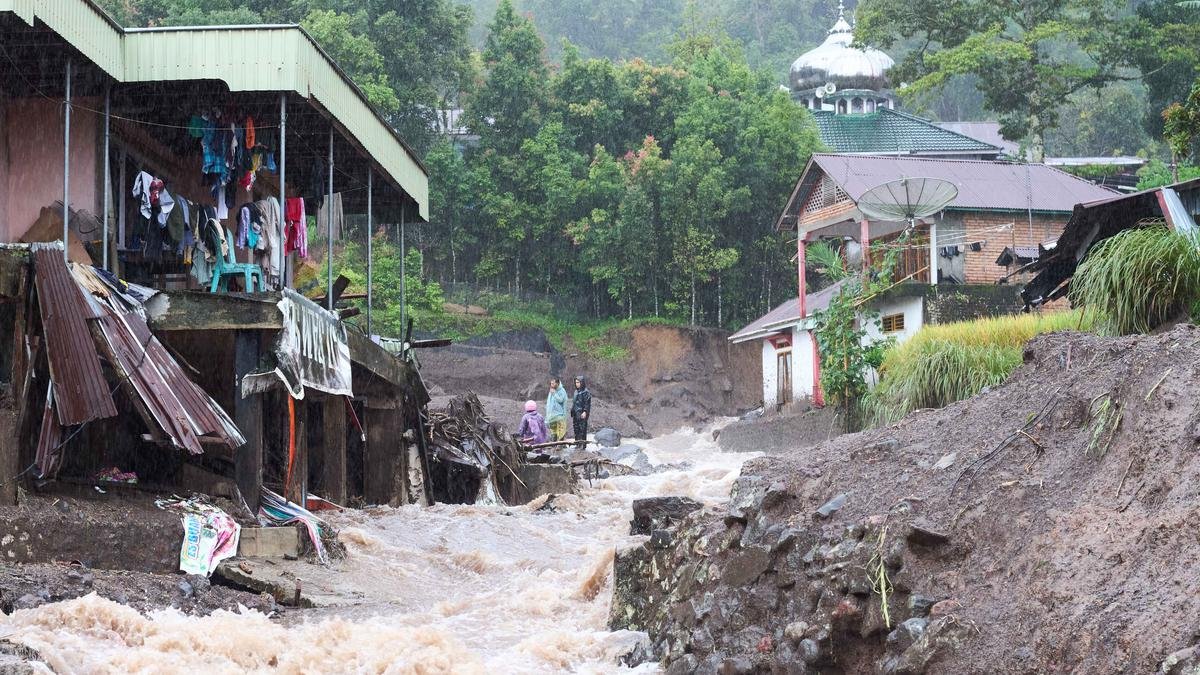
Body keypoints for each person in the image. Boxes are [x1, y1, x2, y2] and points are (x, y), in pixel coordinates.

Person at [570, 375, 592, 449]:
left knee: (582, 429)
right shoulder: (576, 391)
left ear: (582, 383)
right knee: (576, 429)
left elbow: (587, 403)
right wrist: (572, 410)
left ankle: (583, 446)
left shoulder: (586, 392)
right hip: (576, 413)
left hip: (582, 414)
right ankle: (577, 444)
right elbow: (574, 402)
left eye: (578, 382)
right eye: (576, 382)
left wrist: (585, 412)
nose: (577, 384)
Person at [545, 377, 569, 442]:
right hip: (552, 414)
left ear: (557, 383)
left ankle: (560, 444)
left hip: (560, 414)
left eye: (553, 383)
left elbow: (561, 400)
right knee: (553, 429)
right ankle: (554, 442)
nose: (551, 385)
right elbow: (549, 402)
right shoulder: (551, 390)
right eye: (551, 383)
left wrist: (554, 393)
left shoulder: (562, 390)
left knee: (561, 428)